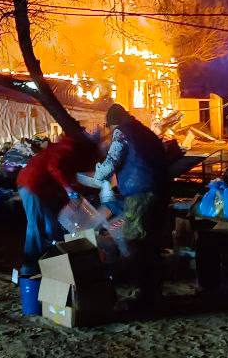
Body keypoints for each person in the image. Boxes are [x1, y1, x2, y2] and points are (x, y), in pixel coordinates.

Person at [94, 104, 169, 307]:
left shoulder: (122, 132)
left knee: (136, 241)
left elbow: (111, 162)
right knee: (152, 243)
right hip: (159, 191)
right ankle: (154, 292)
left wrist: (98, 173)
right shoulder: (144, 131)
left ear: (111, 123)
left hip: (140, 193)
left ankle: (143, 295)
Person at [16, 131, 99, 276]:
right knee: (36, 225)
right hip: (32, 184)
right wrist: (68, 190)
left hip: (41, 187)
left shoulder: (70, 151)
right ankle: (28, 266)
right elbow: (54, 168)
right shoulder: (67, 149)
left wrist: (74, 191)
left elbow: (68, 175)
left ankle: (51, 262)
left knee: (51, 225)